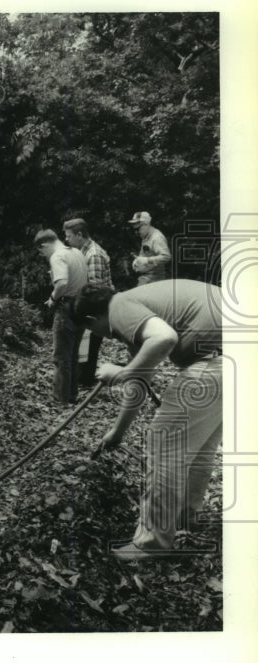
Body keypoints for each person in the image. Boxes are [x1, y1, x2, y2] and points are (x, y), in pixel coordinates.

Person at [74, 279, 222, 561]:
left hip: (214, 363)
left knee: (162, 442)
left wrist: (120, 373)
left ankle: (152, 542)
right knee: (199, 446)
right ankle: (186, 518)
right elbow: (141, 382)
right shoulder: (138, 313)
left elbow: (165, 338)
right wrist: (117, 433)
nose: (101, 336)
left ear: (93, 318)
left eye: (92, 330)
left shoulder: (121, 307)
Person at [35, 229, 88, 404]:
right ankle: (71, 395)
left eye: (41, 252)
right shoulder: (77, 253)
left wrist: (52, 299)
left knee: (61, 356)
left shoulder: (57, 256)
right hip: (81, 305)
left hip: (66, 307)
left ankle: (61, 399)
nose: (43, 256)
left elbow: (62, 283)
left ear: (45, 245)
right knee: (73, 355)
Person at [63, 218, 113, 387]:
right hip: (91, 307)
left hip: (97, 309)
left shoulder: (93, 255)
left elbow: (95, 290)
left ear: (79, 235)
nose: (67, 239)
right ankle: (83, 378)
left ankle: (86, 380)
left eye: (69, 236)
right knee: (84, 344)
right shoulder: (82, 251)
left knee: (90, 344)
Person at [128, 211, 171, 286]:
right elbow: (145, 253)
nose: (136, 232)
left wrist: (147, 260)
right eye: (134, 229)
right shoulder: (146, 236)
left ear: (146, 224)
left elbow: (166, 256)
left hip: (155, 280)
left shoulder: (157, 238)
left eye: (138, 228)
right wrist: (137, 261)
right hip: (146, 277)